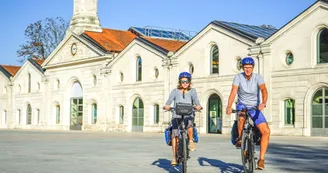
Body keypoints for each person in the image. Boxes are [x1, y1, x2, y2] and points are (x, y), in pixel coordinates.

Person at [226, 57, 271, 170]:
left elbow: (264, 90)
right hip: (242, 105)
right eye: (245, 68)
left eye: (250, 68)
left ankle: (261, 160)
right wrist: (228, 106)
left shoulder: (258, 78)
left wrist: (263, 102)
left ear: (253, 68)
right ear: (242, 68)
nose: (247, 70)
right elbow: (233, 92)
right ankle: (241, 139)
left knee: (266, 131)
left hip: (255, 107)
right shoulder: (238, 77)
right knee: (241, 117)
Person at [164, 72, 202, 166]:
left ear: (189, 82)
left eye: (187, 81)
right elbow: (170, 100)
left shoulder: (192, 91)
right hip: (176, 115)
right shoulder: (175, 91)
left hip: (188, 114)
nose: (185, 83)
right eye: (183, 81)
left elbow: (196, 99)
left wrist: (198, 105)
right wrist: (167, 105)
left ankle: (190, 141)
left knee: (189, 124)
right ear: (180, 82)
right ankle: (174, 157)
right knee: (174, 134)